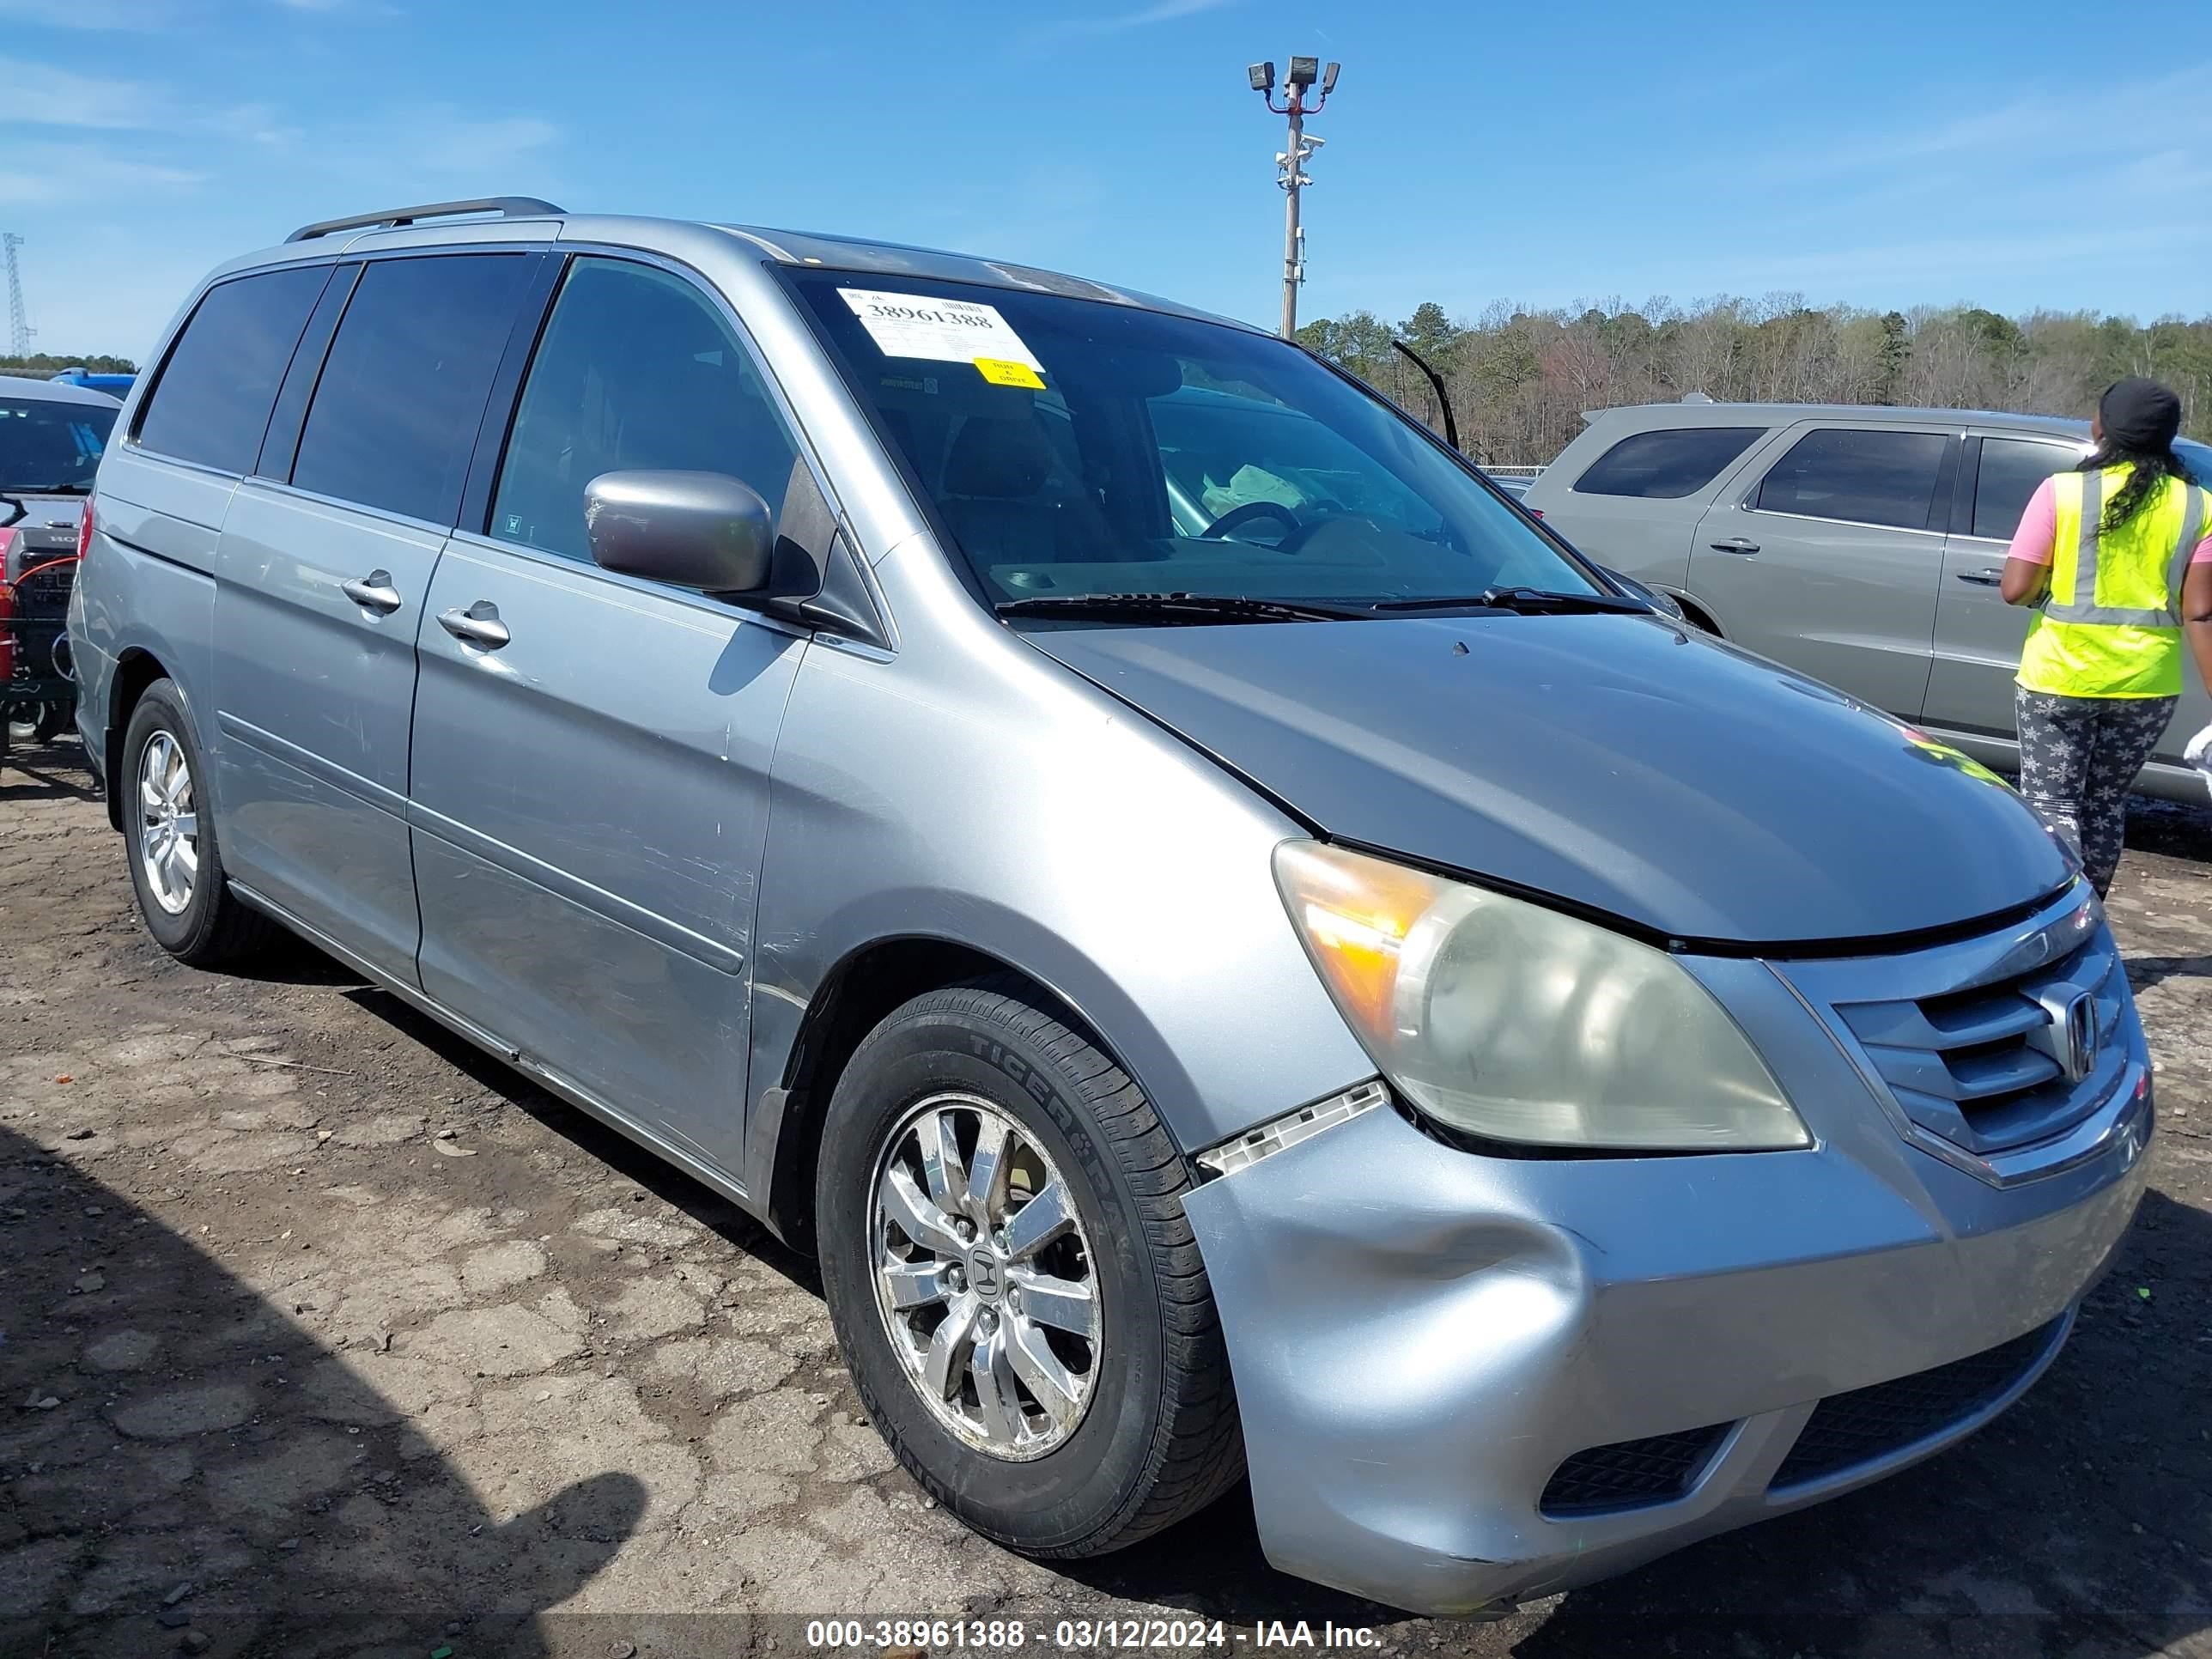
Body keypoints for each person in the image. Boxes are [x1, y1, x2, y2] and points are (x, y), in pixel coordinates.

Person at [2000, 377, 2212, 896]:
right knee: (2106, 804)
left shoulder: (2062, 491)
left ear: (2103, 428)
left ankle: (2054, 919)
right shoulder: (2200, 506)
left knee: (2053, 806)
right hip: (2146, 686)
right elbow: (2202, 613)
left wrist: (2044, 593)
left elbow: (2015, 588)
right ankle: (2089, 915)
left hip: (2060, 676)